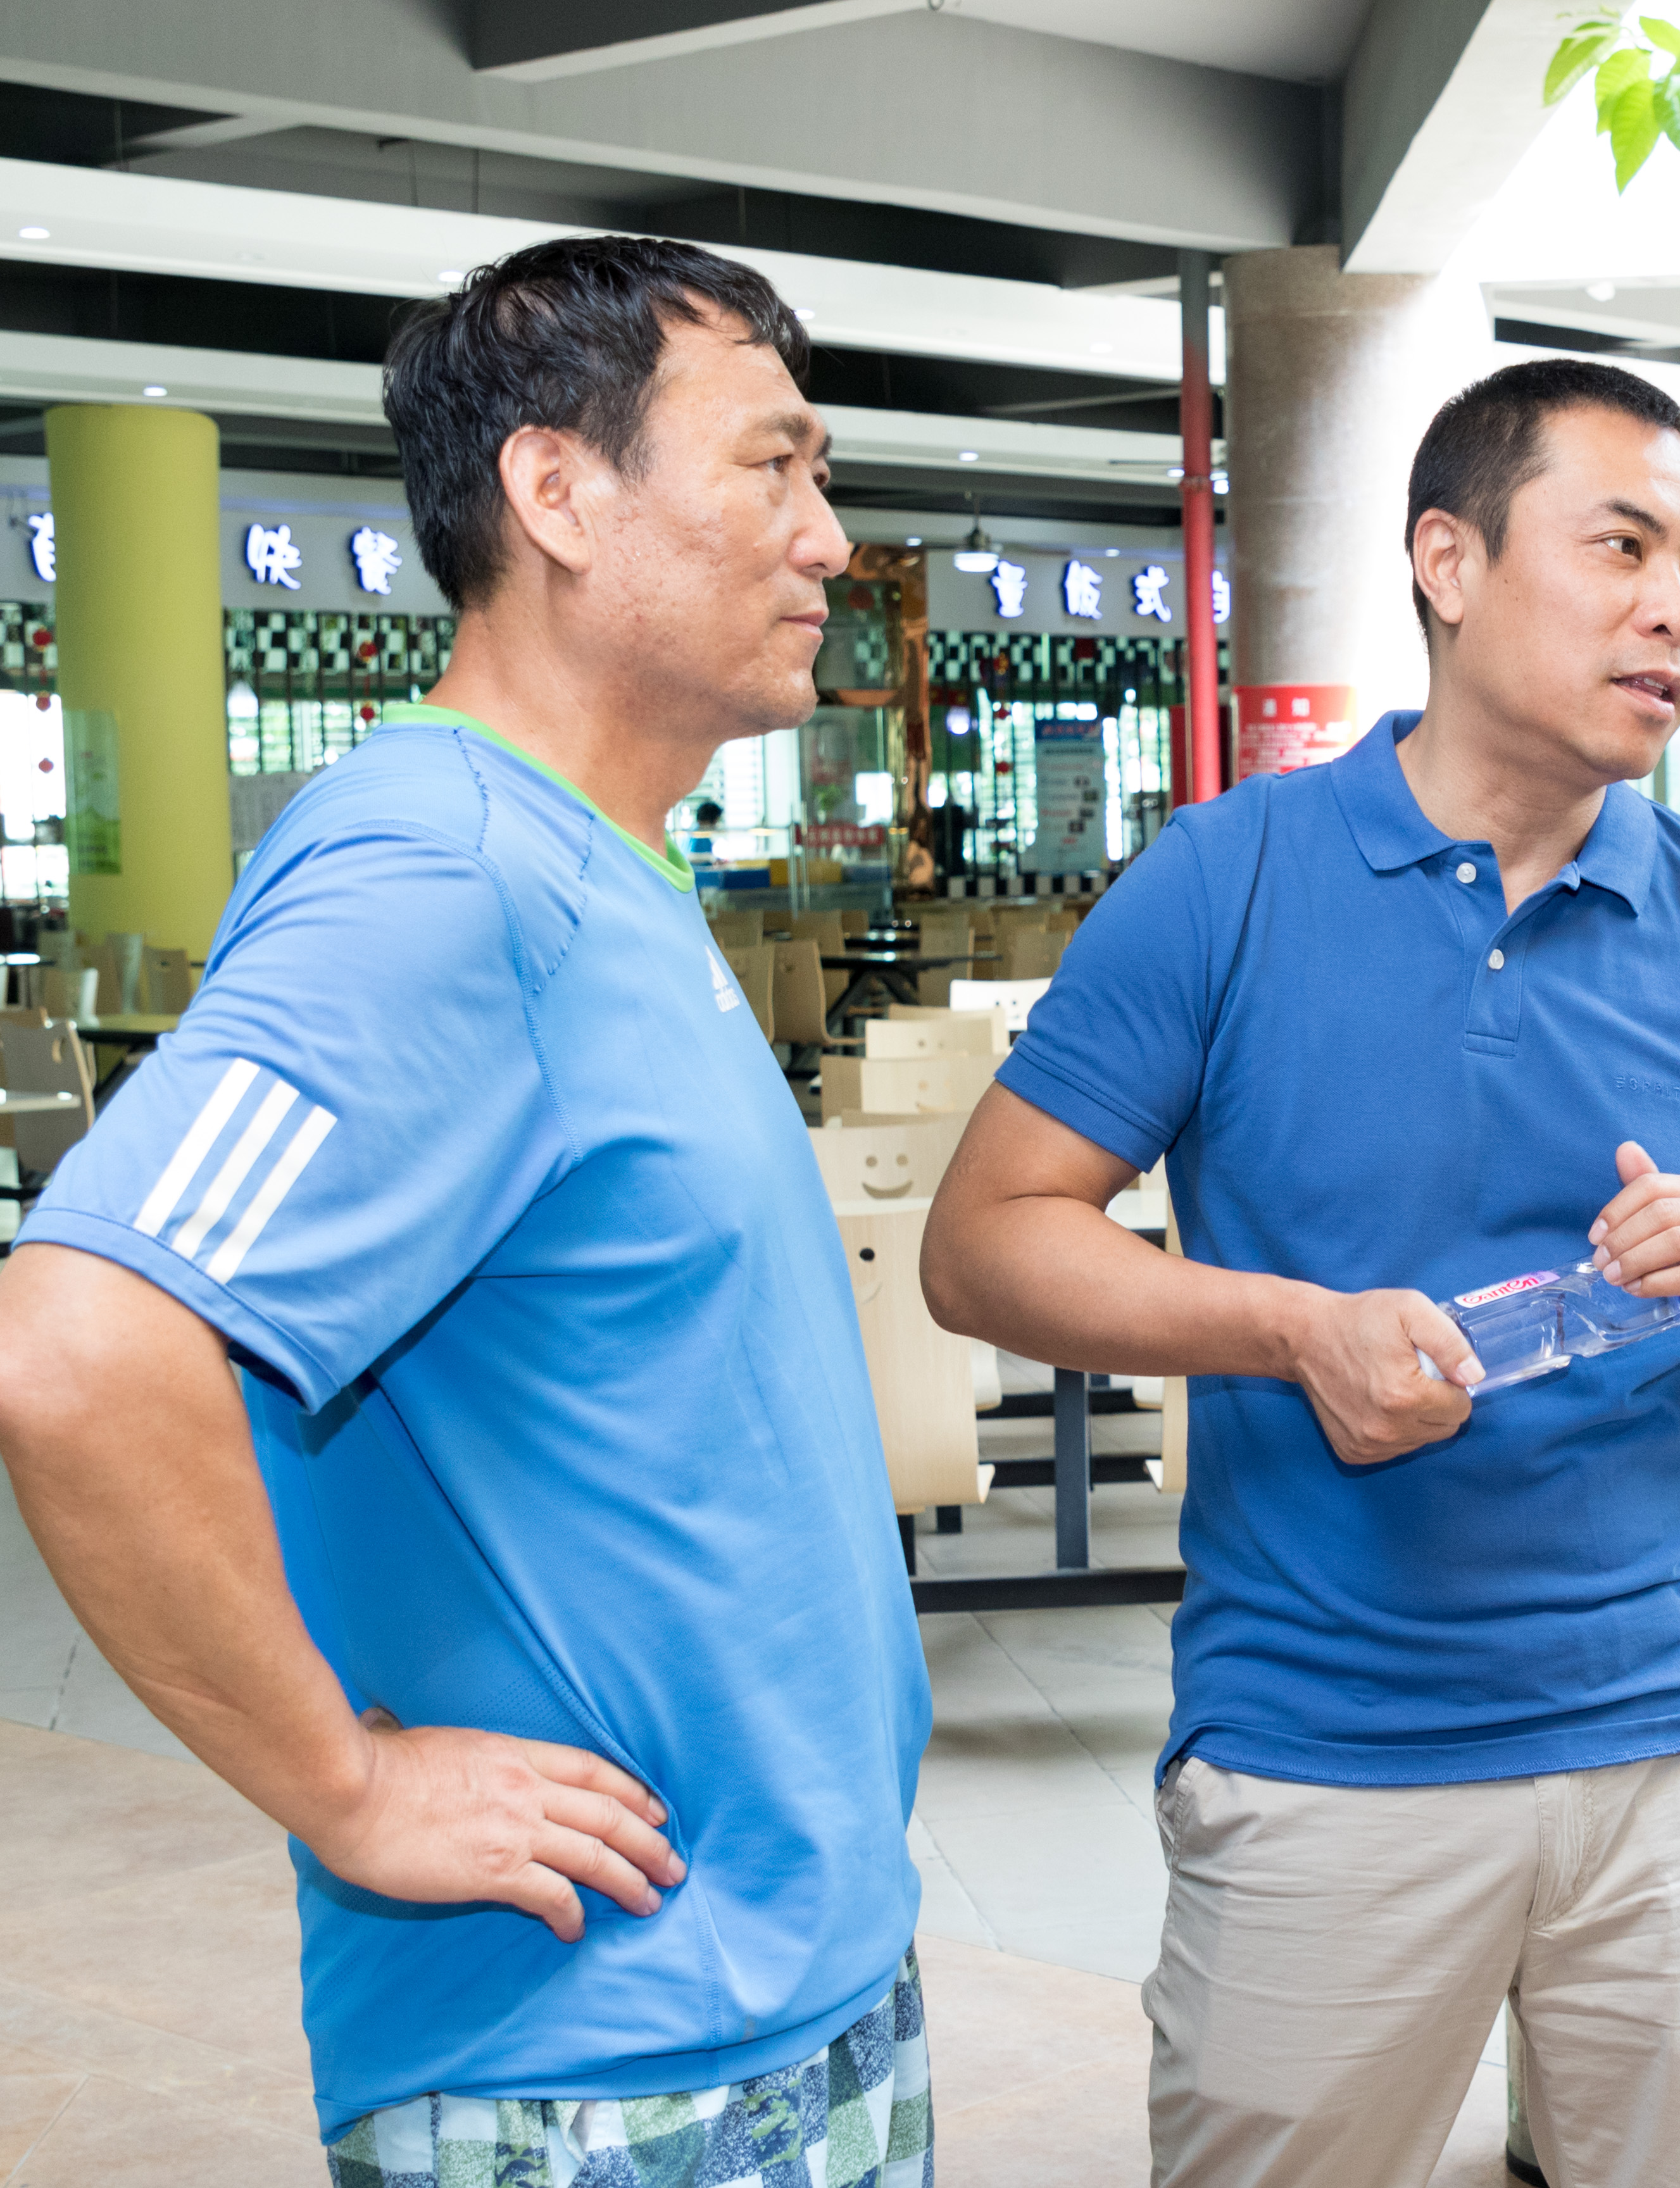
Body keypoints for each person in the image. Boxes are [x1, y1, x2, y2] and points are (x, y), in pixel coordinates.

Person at [921, 356, 1680, 2188]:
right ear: (1448, 561)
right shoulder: (1229, 880)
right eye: (1623, 548)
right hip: (1323, 1740)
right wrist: (1291, 1331)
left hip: (1678, 1736)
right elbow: (984, 1240)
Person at [0, 237, 935, 2184]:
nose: (827, 538)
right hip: (600, 2060)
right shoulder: (441, 873)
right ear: (557, 493)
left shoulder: (600, 867)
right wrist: (345, 1782)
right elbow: (79, 1344)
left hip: (786, 1985)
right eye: (771, 464)